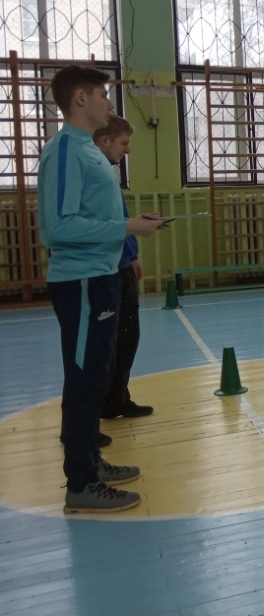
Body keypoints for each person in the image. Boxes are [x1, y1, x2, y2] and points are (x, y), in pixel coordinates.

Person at [39, 66, 164, 514]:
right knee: (85, 380)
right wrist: (127, 227)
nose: (109, 103)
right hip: (81, 282)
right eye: (103, 94)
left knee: (96, 374)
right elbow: (59, 227)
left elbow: (94, 217)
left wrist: (130, 226)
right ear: (80, 99)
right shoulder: (65, 151)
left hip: (101, 276)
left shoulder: (86, 151)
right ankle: (82, 484)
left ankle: (91, 462)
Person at [91, 115, 155, 420]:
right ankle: (104, 402)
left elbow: (120, 219)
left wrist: (132, 255)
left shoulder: (109, 173)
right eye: (124, 143)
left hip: (122, 263)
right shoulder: (96, 174)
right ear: (104, 141)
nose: (127, 150)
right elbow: (107, 224)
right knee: (111, 341)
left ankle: (117, 397)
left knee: (128, 338)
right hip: (108, 269)